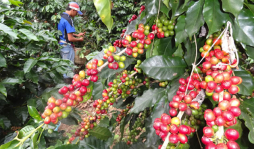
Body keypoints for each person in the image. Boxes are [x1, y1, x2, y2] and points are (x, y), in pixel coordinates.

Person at [58, 2, 85, 84]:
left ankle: (66, 86)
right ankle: (68, 87)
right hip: (67, 46)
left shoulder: (61, 16)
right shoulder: (68, 19)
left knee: (65, 66)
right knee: (68, 69)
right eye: (76, 12)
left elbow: (65, 32)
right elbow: (70, 38)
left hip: (62, 45)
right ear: (73, 10)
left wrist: (76, 35)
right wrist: (79, 39)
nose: (76, 14)